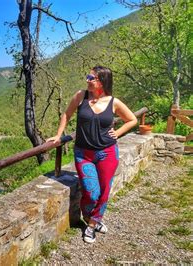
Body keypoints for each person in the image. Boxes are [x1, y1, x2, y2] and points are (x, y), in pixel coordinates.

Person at [47, 66, 137, 243]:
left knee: (104, 191)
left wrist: (118, 133)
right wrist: (58, 135)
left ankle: (93, 224)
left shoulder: (114, 102)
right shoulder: (81, 96)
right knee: (91, 191)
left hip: (107, 153)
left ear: (102, 81)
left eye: (92, 78)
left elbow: (132, 119)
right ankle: (90, 218)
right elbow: (67, 114)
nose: (88, 80)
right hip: (83, 153)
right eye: (88, 76)